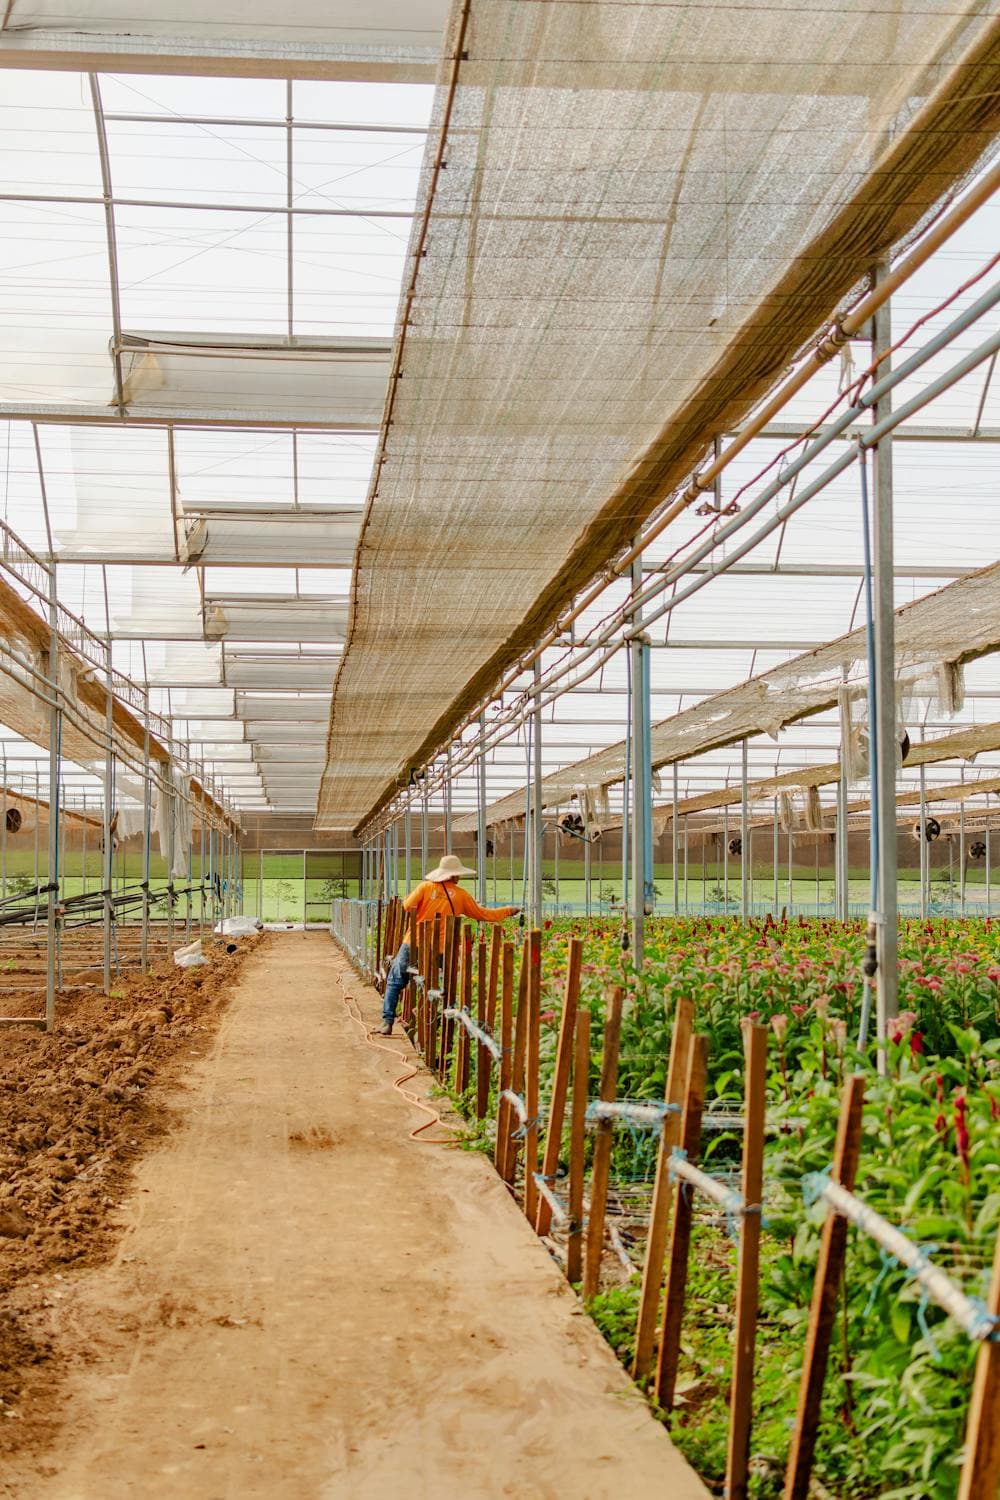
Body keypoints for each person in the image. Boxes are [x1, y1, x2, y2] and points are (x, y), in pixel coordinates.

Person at [377, 854, 519, 1035]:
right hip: (441, 948)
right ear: (454, 875)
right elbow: (483, 915)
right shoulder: (461, 895)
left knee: (395, 981)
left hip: (413, 943)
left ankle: (387, 1022)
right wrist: (509, 910)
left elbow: (406, 906)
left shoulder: (425, 887)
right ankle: (434, 1024)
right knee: (435, 985)